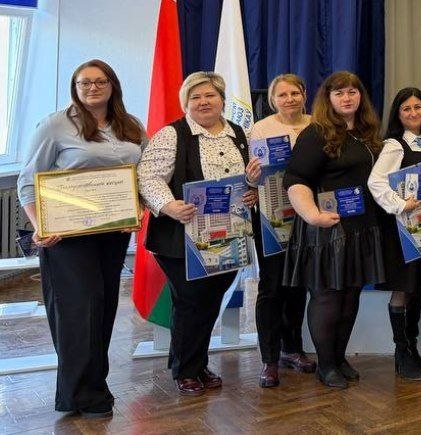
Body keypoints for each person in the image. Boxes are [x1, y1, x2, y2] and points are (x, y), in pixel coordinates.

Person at [18, 60, 145, 417]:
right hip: (67, 235)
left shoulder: (131, 125)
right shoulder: (55, 125)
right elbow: (28, 180)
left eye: (100, 81)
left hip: (113, 232)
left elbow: (145, 173)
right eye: (84, 82)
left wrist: (139, 208)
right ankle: (80, 394)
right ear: (74, 87)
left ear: (112, 85)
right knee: (79, 310)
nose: (92, 88)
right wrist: (41, 225)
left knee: (103, 309)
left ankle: (93, 385)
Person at [138, 71, 261, 396]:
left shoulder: (238, 133)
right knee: (191, 301)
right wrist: (169, 205)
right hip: (179, 238)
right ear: (186, 103)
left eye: (210, 95)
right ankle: (186, 370)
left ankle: (196, 362)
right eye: (195, 97)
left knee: (209, 301)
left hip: (227, 236)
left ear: (222, 99)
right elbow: (148, 177)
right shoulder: (172, 135)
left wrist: (251, 191)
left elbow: (245, 179)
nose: (204, 102)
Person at [283, 71, 385, 389]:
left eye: (352, 91)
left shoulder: (367, 133)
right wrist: (313, 215)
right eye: (339, 93)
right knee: (328, 297)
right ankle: (325, 365)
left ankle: (339, 358)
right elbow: (295, 180)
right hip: (326, 228)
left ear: (360, 96)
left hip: (360, 227)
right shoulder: (316, 133)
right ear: (328, 98)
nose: (346, 98)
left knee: (350, 295)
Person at [368, 87, 421, 381]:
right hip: (403, 232)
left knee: (418, 287)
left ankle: (412, 347)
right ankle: (401, 352)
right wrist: (399, 204)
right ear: (398, 115)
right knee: (403, 287)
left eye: (418, 107)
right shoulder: (394, 145)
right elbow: (376, 182)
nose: (413, 113)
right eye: (406, 109)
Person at [246, 74, 316, 388]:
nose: (289, 99)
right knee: (272, 287)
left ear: (304, 95)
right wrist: (250, 179)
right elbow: (249, 177)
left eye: (294, 93)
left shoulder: (316, 124)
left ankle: (293, 349)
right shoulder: (260, 129)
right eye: (282, 95)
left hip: (307, 215)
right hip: (271, 216)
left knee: (297, 285)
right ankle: (269, 360)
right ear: (273, 100)